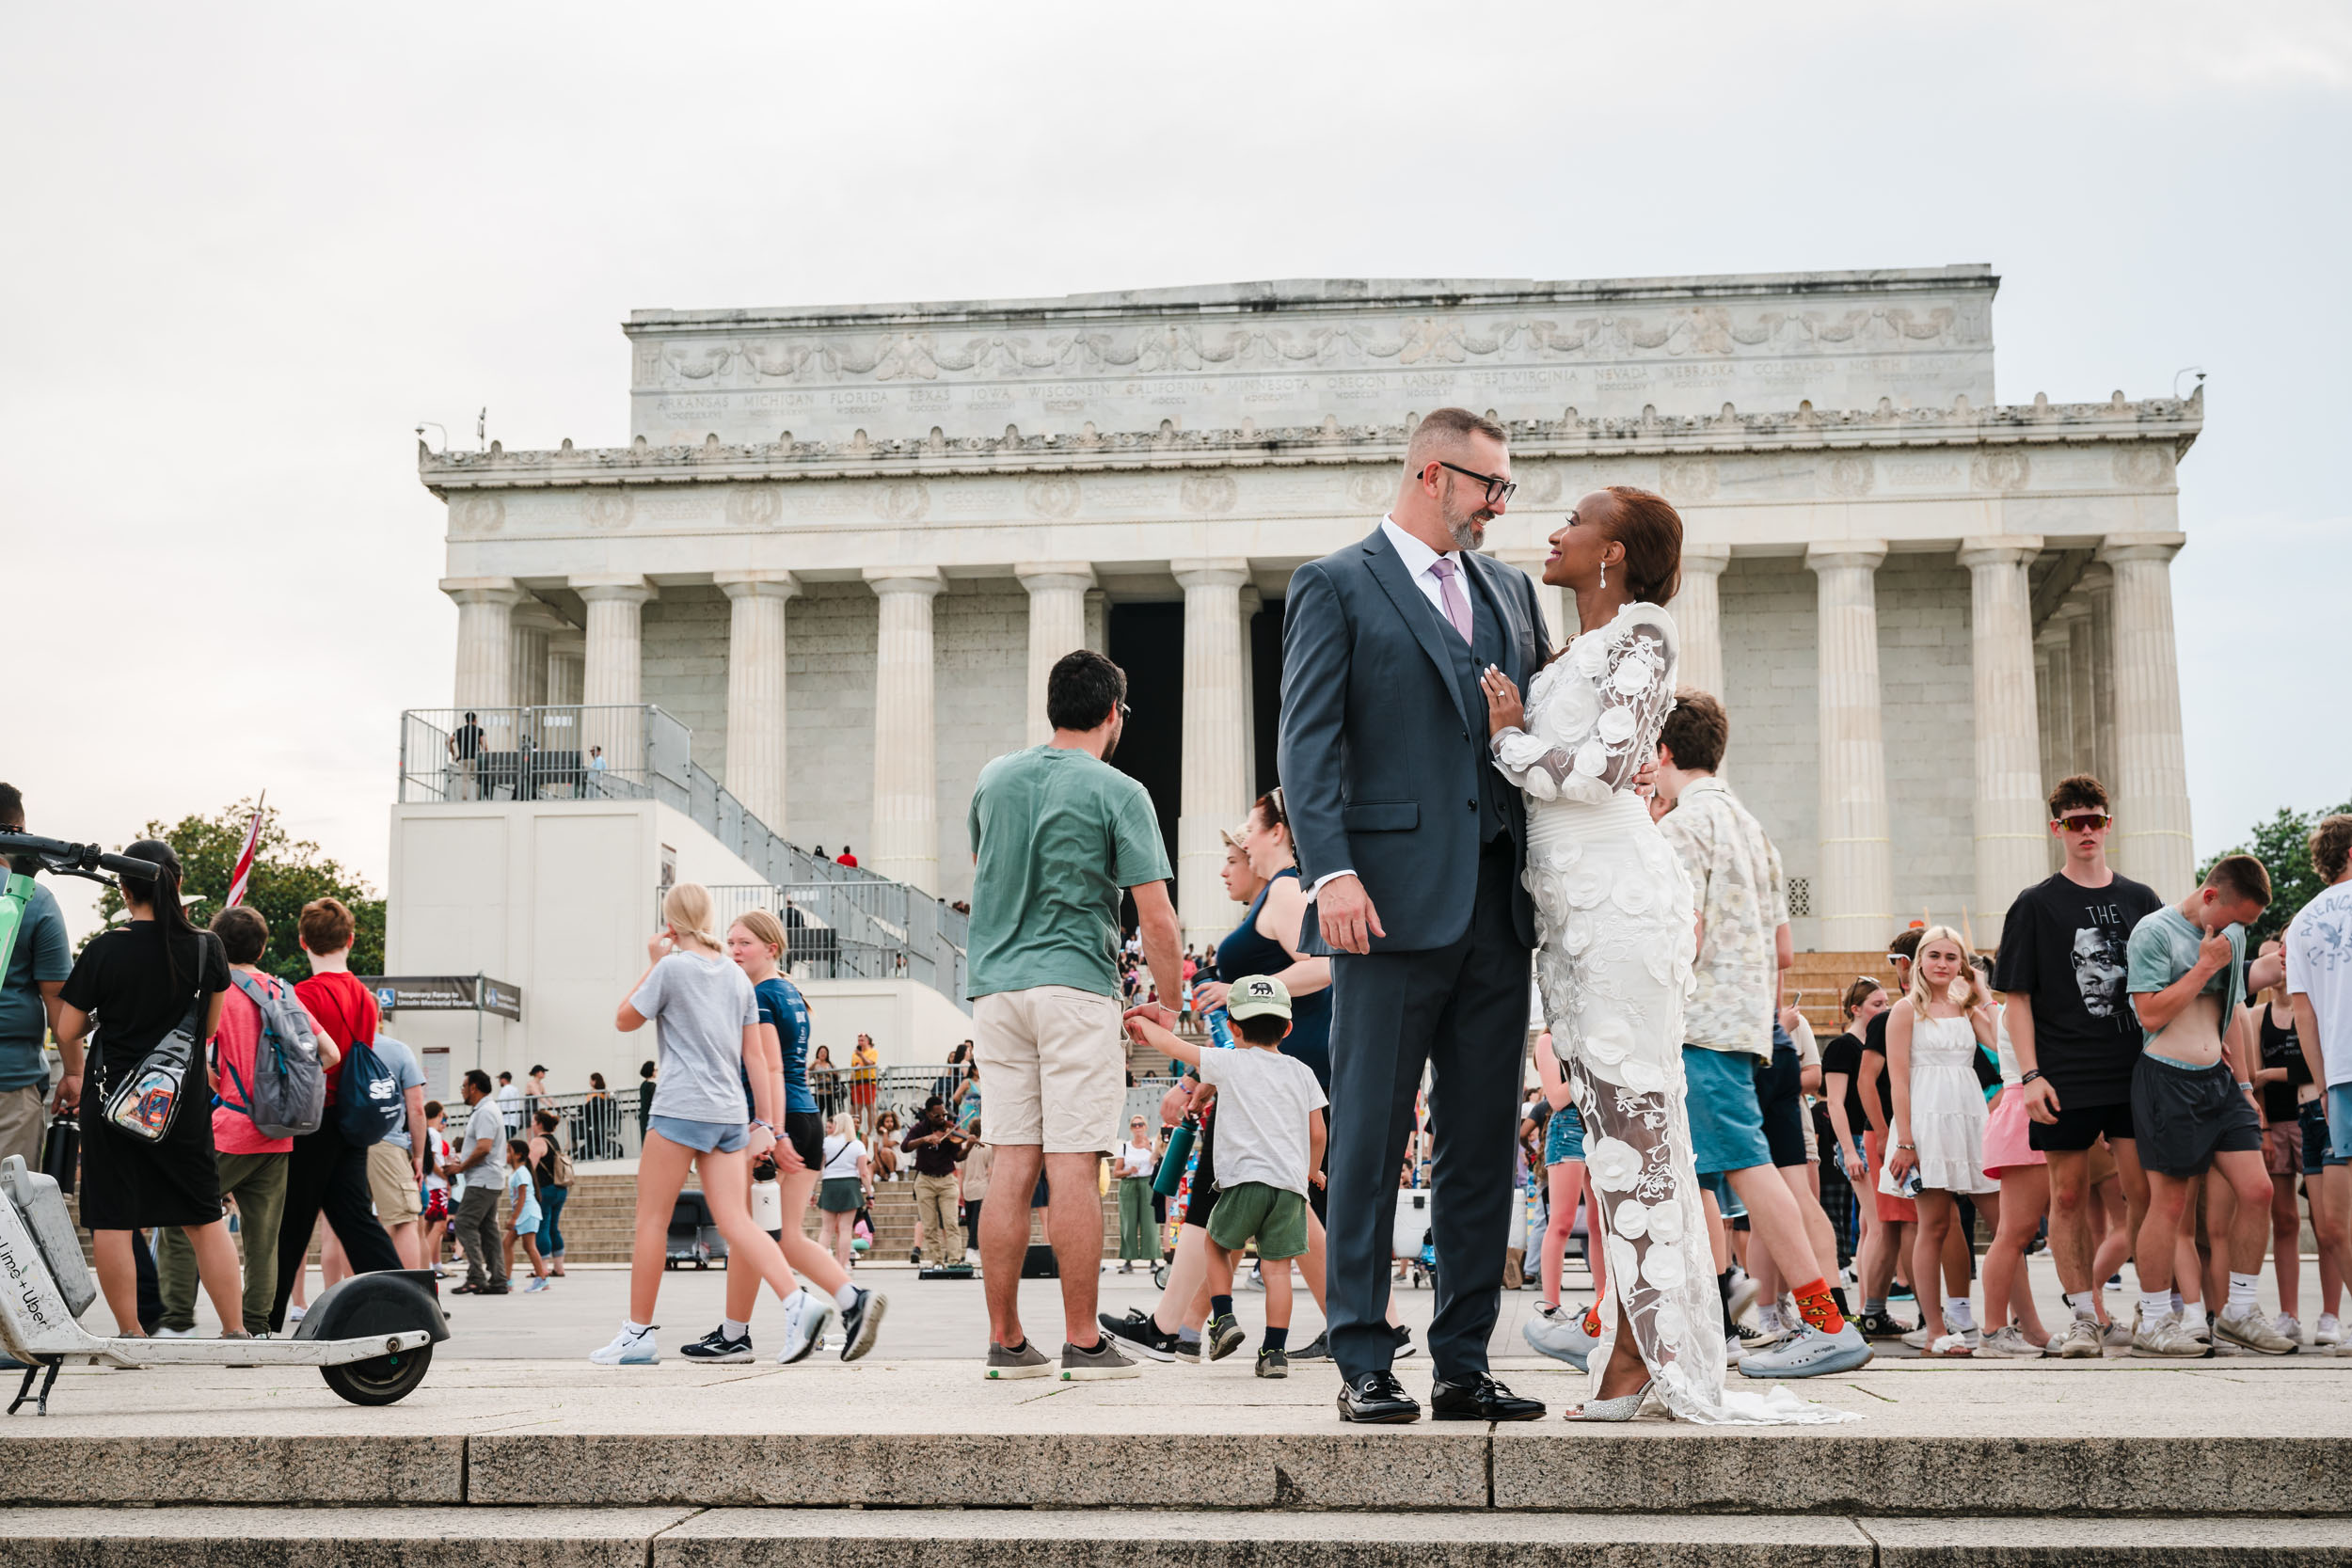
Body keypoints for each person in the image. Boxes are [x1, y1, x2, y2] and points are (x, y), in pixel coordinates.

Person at [1479, 486, 1854, 1425]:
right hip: (1576, 915)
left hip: (1618, 906)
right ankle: (1640, 1347)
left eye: (1575, 519)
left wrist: (1507, 740)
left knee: (1636, 1139)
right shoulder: (1574, 649)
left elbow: (1604, 769)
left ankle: (1642, 1357)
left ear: (1614, 551)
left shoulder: (1643, 637)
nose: (1554, 530)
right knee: (1618, 1140)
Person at [1279, 409, 1555, 1425]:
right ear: (1432, 474)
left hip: (1496, 903)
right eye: (1490, 484)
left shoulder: (1511, 589)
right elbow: (1306, 746)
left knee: (1480, 1140)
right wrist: (1331, 872)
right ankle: (1361, 1353)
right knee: (1367, 1132)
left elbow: (1536, 723)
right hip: (1382, 906)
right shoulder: (1335, 582)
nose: (1498, 503)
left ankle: (1463, 1358)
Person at [967, 646, 1181, 1383]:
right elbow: (1156, 919)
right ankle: (1084, 1339)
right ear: (1114, 714)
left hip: (996, 987)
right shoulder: (1118, 790)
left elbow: (986, 871)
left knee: (1011, 1162)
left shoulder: (994, 779)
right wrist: (1171, 1003)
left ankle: (1005, 1338)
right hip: (1074, 985)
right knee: (1072, 1164)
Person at [1646, 687, 1869, 1382]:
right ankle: (1690, 1315)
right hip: (1745, 1023)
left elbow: (1683, 931)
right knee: (1694, 1176)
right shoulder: (1750, 826)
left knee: (1743, 1162)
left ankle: (1826, 1320)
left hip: (1697, 1020)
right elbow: (1783, 948)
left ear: (1662, 752)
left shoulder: (1680, 828)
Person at [596, 883, 882, 1366]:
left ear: (671, 923)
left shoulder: (672, 968)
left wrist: (652, 960)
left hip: (681, 1105)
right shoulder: (734, 977)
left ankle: (638, 1333)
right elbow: (757, 1058)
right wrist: (767, 1125)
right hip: (731, 1111)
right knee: (738, 1221)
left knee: (652, 1219)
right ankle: (798, 1302)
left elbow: (625, 1020)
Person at [1994, 774, 2168, 1357]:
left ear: (2108, 824)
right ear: (2057, 829)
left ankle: (2156, 1309)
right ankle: (2083, 1318)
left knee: (2143, 1191)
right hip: (2063, 1072)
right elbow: (2015, 997)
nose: (2087, 830)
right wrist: (2030, 1075)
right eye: (2075, 822)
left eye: (2095, 819)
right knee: (2065, 1196)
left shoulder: (2141, 899)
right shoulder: (2035, 903)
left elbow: (2164, 984)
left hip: (2136, 1067)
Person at [53, 841, 247, 1338]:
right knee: (204, 1216)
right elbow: (206, 1030)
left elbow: (67, 1029)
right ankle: (234, 1331)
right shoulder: (208, 947)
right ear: (178, 885)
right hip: (178, 1103)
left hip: (112, 1102)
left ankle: (130, 1335)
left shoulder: (104, 949)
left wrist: (105, 1015)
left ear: (123, 887)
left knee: (114, 1219)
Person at [2122, 855, 2295, 1354]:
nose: (2241, 928)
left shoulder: (2232, 933)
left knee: (2258, 1190)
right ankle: (2154, 1320)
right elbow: (2149, 1013)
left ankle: (2239, 1311)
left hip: (2220, 1083)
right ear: (2211, 896)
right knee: (2170, 1204)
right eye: (2239, 917)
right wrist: (2203, 966)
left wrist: (2243, 1086)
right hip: (2166, 1079)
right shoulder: (2152, 932)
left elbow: (2233, 1012)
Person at [682, 910, 865, 1363]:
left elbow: (768, 1067)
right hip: (804, 1120)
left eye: (744, 943)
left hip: (779, 1124)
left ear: (772, 948)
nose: (734, 951)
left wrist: (770, 1130)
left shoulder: (761, 994)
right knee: (775, 1236)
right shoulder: (789, 992)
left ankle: (751, 1330)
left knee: (750, 1232)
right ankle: (843, 1303)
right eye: (730, 942)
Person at [1125, 977, 1327, 1379]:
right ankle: (1274, 1352)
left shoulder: (1229, 1060)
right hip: (1289, 1190)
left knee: (1218, 1246)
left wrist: (1141, 1024)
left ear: (1233, 1028)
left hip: (1241, 1184)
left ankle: (1223, 1318)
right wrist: (1312, 1170)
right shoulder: (1302, 1072)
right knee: (1277, 1270)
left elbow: (1175, 1047)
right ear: (1287, 1028)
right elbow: (1318, 1132)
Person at [154, 906, 318, 1337]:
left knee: (180, 1213)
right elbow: (330, 1054)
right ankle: (256, 1325)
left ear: (217, 946)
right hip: (280, 1134)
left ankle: (176, 1319)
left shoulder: (219, 992)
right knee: (264, 1238)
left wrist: (221, 1079)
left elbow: (188, 1056)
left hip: (232, 1128)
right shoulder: (285, 992)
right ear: (263, 947)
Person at [267, 896, 404, 1329]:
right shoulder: (367, 997)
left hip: (314, 1118)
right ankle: (407, 1297)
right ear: (350, 939)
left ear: (303, 941)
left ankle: (264, 1319)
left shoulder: (302, 995)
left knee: (291, 1222)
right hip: (353, 1118)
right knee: (355, 1218)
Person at [1884, 927, 2002, 1355]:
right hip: (1925, 1124)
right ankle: (1935, 1329)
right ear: (1918, 960)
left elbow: (1999, 1044)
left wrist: (1981, 989)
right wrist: (1905, 1140)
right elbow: (1898, 1080)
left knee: (2005, 1222)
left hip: (1969, 1118)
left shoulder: (1965, 1005)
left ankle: (2000, 1325)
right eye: (1933, 955)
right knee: (1932, 1225)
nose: (1942, 964)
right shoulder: (1903, 1011)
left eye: (1952, 958)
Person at [2289, 814, 2352, 1355]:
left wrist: (2327, 1086)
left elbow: (2303, 1018)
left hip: (2341, 1076)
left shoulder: (2302, 922)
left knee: (2336, 1222)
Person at [1820, 979, 1904, 1337]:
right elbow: (1834, 1103)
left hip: (1870, 1134)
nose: (1883, 1009)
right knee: (1877, 1224)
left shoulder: (1876, 1041)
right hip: (1856, 1137)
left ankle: (1867, 1306)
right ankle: (1870, 1308)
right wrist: (1849, 1150)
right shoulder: (1842, 1046)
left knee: (1871, 1226)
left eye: (1886, 1003)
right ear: (1856, 1008)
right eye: (1876, 1003)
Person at [1521, 1030, 1608, 1367]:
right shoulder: (1548, 1042)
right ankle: (1550, 1306)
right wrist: (1588, 1069)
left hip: (1597, 1128)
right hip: (1569, 1128)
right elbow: (1556, 1098)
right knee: (1561, 1222)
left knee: (1600, 1224)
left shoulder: (1586, 1038)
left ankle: (1604, 1302)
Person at [0, 784, 72, 1173]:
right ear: (20, 829)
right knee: (7, 1217)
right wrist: (74, 1072)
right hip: (10, 1082)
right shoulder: (34, 899)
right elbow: (57, 996)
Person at [367, 1032, 430, 1269]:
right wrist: (419, 1156)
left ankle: (352, 1301)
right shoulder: (397, 1050)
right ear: (380, 1014)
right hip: (387, 1143)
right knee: (405, 1221)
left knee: (350, 1226)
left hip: (345, 1144)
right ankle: (407, 1299)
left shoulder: (340, 1044)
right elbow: (416, 1109)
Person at [447, 1069, 509, 1293]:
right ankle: (499, 1279)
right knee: (488, 1230)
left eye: (464, 1086)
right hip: (488, 1178)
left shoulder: (485, 1112)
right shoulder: (486, 1110)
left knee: (463, 1222)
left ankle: (476, 1277)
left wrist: (460, 1167)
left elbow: (484, 1147)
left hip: (482, 1179)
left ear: (473, 1087)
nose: (463, 1091)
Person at [902, 1098, 970, 1267]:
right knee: (929, 1225)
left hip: (947, 1180)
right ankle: (937, 1262)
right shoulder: (919, 1129)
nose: (942, 1119)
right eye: (937, 1115)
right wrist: (924, 1139)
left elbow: (957, 1156)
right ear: (928, 1114)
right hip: (925, 1180)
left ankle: (954, 1261)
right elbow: (905, 1146)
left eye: (944, 1115)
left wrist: (968, 1147)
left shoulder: (950, 1129)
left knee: (951, 1223)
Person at [816, 1111, 871, 1270]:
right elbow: (864, 1172)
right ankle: (844, 1263)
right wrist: (870, 1194)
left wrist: (812, 1191)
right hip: (850, 1185)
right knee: (846, 1229)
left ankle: (820, 1263)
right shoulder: (857, 1144)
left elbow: (818, 1168)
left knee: (826, 1229)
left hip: (829, 1184)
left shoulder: (826, 1142)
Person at [527, 1108, 571, 1277]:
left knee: (542, 1227)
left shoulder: (537, 1142)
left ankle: (542, 1268)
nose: (532, 1125)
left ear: (539, 1124)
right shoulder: (554, 1140)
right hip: (560, 1189)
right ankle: (559, 1268)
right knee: (553, 1228)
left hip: (545, 1190)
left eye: (533, 1122)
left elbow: (531, 1167)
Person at [502, 1137, 550, 1291]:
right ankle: (507, 1280)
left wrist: (514, 1218)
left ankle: (542, 1278)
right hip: (524, 1213)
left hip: (528, 1213)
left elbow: (522, 1196)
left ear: (517, 1155)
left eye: (508, 1152)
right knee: (507, 1243)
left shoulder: (522, 1172)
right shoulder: (517, 1172)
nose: (505, 1155)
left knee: (529, 1246)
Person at [1114, 1115, 1157, 1272]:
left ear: (1145, 1127)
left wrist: (1150, 1149)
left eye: (1141, 1124)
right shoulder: (1125, 1147)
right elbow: (1116, 1172)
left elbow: (1159, 1163)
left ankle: (1152, 1259)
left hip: (1147, 1183)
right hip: (1129, 1184)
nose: (1138, 1127)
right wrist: (1128, 1171)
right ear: (1131, 1128)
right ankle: (1128, 1260)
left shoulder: (1153, 1144)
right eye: (1135, 1125)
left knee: (1149, 1223)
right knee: (1128, 1223)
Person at [420, 1101, 453, 1275]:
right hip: (436, 1185)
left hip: (430, 1185)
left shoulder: (427, 1132)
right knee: (440, 1226)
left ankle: (427, 1263)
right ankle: (428, 1266)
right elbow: (432, 1162)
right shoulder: (434, 1134)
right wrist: (446, 1177)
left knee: (428, 1226)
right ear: (439, 1114)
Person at [449, 711, 484, 800]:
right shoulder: (479, 730)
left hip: (463, 759)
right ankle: (478, 799)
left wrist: (453, 753)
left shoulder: (459, 731)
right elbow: (484, 746)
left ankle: (464, 799)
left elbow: (448, 741)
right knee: (478, 781)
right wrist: (484, 757)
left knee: (465, 780)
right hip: (475, 759)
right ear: (475, 720)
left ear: (466, 720)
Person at [849, 1035, 879, 1132]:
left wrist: (861, 1055)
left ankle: (871, 1131)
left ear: (868, 1042)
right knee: (857, 1108)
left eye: (862, 1040)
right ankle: (859, 1131)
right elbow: (853, 1068)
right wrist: (850, 1080)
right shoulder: (854, 1054)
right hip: (857, 1082)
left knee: (870, 1107)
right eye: (859, 1040)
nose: (860, 1042)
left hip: (868, 1082)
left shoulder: (873, 1052)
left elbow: (870, 1063)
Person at [496, 1071, 523, 1136]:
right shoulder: (515, 1089)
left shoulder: (505, 1089)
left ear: (503, 1079)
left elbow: (501, 1105)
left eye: (499, 1080)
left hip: (507, 1122)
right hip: (515, 1123)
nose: (499, 1082)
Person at [637, 1059, 657, 1140]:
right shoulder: (652, 1086)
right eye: (655, 1070)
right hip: (651, 1117)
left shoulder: (643, 1085)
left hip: (644, 1117)